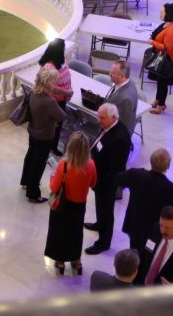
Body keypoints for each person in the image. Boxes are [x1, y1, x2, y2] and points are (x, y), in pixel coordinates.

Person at [44, 131, 96, 276]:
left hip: (63, 205)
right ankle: (76, 260)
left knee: (60, 232)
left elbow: (54, 187)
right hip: (80, 205)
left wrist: (52, 177)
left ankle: (60, 261)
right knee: (76, 232)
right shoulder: (91, 164)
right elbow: (93, 183)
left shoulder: (64, 165)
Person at [85, 103, 132, 255]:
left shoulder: (119, 138)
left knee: (106, 211)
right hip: (99, 178)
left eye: (102, 118)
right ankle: (99, 224)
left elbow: (115, 169)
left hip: (106, 182)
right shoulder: (109, 127)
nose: (99, 121)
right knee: (100, 206)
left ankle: (103, 243)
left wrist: (100, 184)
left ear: (113, 117)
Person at [114, 148, 173, 251]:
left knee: (134, 250)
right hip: (155, 232)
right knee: (149, 256)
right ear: (168, 166)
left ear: (151, 161)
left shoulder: (135, 174)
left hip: (134, 224)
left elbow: (117, 178)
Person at [20, 66, 67, 203]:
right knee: (38, 164)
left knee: (30, 156)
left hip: (33, 130)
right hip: (45, 135)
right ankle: (33, 193)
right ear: (49, 83)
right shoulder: (49, 101)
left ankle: (26, 181)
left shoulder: (33, 92)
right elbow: (62, 116)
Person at [38, 38, 73, 154]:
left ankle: (53, 146)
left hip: (61, 100)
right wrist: (67, 92)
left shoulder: (60, 59)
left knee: (58, 125)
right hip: (53, 101)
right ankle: (48, 148)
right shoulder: (49, 67)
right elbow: (51, 87)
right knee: (52, 126)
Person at [148, 3, 173, 113]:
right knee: (159, 81)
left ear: (169, 14)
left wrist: (153, 42)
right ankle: (157, 100)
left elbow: (167, 49)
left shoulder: (172, 30)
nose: (160, 14)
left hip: (168, 60)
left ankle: (161, 105)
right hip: (161, 57)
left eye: (162, 12)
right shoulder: (167, 24)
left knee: (163, 84)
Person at [104, 60, 139, 135]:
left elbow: (123, 126)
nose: (109, 74)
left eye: (113, 73)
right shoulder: (126, 81)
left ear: (122, 76)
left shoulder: (126, 100)